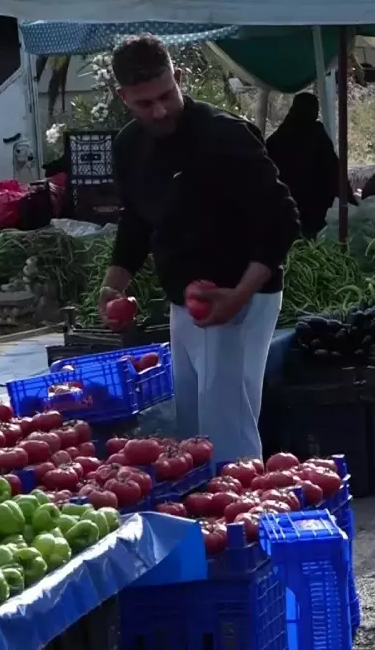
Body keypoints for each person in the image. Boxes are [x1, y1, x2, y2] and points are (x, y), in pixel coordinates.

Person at [96, 34, 300, 462]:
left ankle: (244, 511)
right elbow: (135, 219)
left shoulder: (225, 135)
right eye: (144, 103)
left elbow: (282, 219)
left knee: (226, 421)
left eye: (166, 95)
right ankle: (204, 509)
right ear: (123, 98)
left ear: (179, 77)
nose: (160, 110)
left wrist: (239, 296)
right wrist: (115, 283)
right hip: (183, 299)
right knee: (192, 421)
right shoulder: (128, 147)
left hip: (243, 294)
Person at [266, 93, 339, 238]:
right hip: (313, 209)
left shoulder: (277, 138)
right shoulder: (318, 137)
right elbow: (335, 171)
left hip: (286, 208)